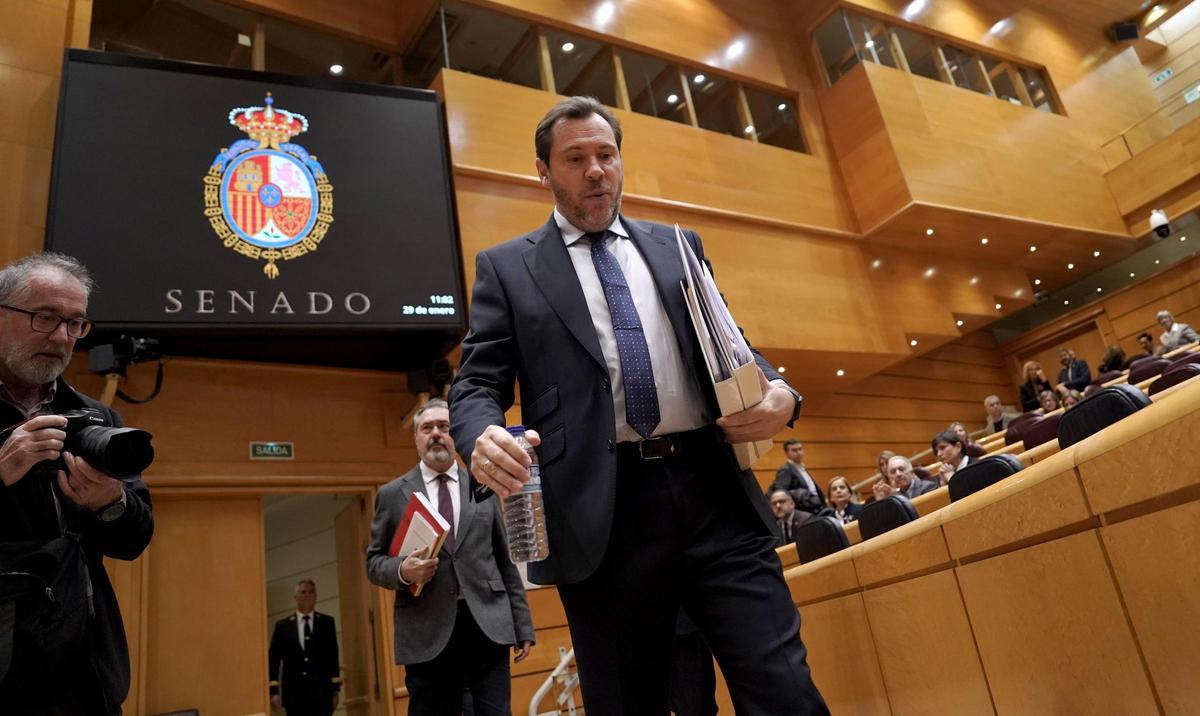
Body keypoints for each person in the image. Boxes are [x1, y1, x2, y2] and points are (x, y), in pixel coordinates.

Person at [448, 96, 828, 714]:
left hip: (713, 494)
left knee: (783, 686)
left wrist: (782, 393)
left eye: (606, 155)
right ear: (543, 172)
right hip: (603, 516)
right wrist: (480, 434)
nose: (596, 170)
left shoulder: (679, 246)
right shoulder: (508, 268)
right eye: (575, 159)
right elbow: (475, 385)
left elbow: (734, 346)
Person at [0, 253, 153, 715]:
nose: (62, 337)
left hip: (81, 672)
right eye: (45, 317)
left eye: (75, 323)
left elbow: (134, 539)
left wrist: (111, 501)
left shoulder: (97, 417)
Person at [366, 399, 535, 715]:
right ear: (416, 438)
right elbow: (373, 563)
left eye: (444, 427)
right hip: (427, 630)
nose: (435, 434)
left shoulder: (482, 484)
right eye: (426, 428)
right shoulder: (392, 494)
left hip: (488, 624)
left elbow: (503, 558)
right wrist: (403, 570)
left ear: (455, 435)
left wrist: (523, 625)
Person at [268, 580, 341, 716]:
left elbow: (332, 656)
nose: (308, 595)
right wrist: (273, 691)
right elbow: (273, 659)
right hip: (294, 694)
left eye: (311, 592)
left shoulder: (326, 623)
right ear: (295, 596)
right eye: (303, 592)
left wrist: (335, 690)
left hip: (322, 693)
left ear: (316, 596)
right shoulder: (282, 626)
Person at [771, 438, 824, 514]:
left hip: (816, 506)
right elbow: (781, 492)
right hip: (803, 511)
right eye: (794, 450)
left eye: (800, 449)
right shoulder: (786, 469)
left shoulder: (802, 468)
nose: (798, 452)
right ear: (787, 453)